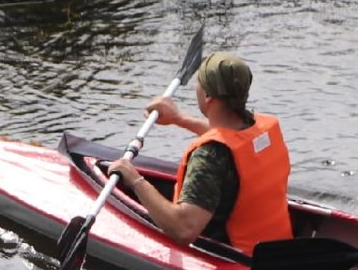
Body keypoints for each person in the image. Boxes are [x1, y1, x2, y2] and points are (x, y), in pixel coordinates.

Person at [106, 50, 293, 253]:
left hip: (243, 263)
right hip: (277, 247)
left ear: (207, 96)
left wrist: (135, 180)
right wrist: (179, 118)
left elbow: (184, 230)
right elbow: (232, 139)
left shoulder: (209, 157)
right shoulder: (263, 128)